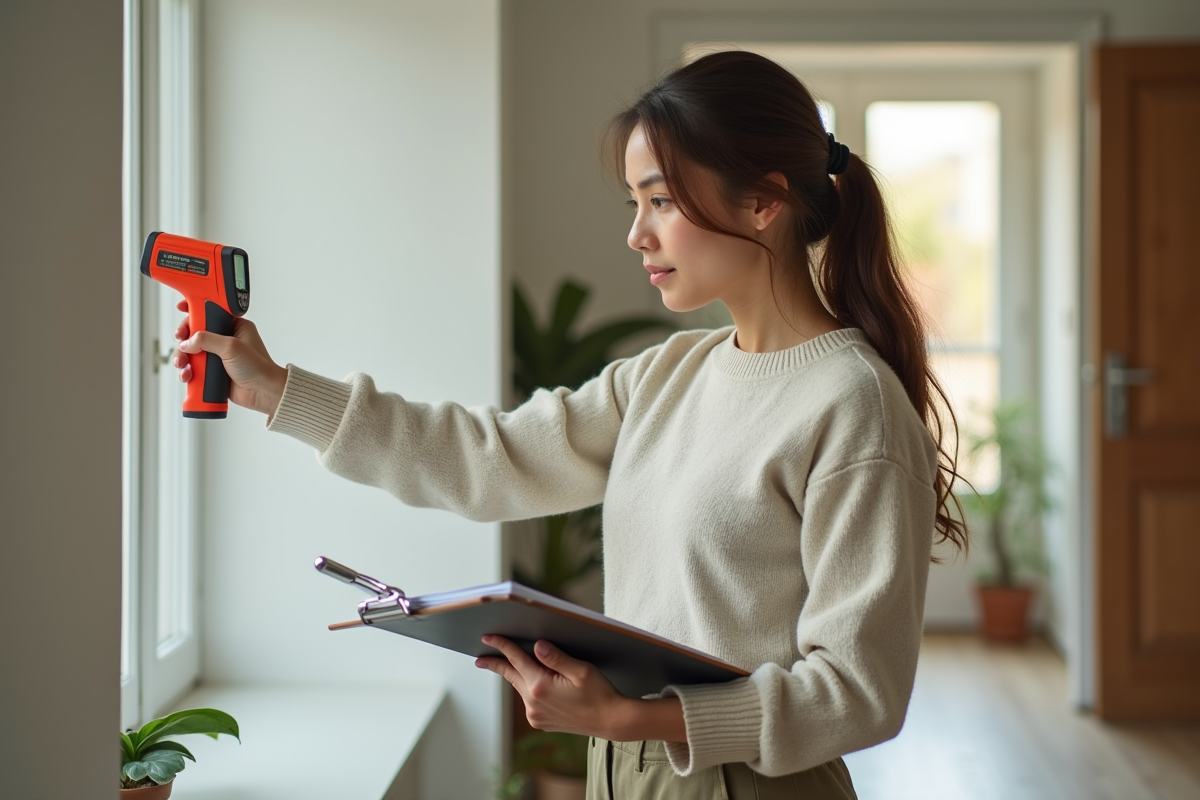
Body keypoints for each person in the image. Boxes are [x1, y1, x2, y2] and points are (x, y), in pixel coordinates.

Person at [173, 50, 966, 800]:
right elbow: (492, 459)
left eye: (660, 200)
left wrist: (634, 718)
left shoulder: (852, 403)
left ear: (762, 200)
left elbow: (860, 693)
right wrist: (280, 392)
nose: (638, 235)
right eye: (636, 204)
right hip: (623, 769)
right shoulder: (666, 375)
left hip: (746, 782)